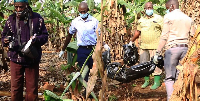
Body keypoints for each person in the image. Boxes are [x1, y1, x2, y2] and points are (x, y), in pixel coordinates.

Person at [59, 1, 110, 98]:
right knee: (84, 72)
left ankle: (91, 91)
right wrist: (63, 49)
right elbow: (69, 35)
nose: (82, 13)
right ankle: (87, 92)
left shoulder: (94, 21)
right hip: (82, 50)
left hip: (93, 49)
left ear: (88, 10)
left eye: (84, 11)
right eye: (80, 12)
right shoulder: (75, 21)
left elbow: (99, 36)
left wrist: (105, 45)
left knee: (93, 71)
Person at [1, 0, 48, 100]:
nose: (18, 10)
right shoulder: (11, 19)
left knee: (32, 91)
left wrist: (36, 40)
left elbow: (45, 36)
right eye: (16, 7)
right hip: (15, 59)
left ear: (27, 5)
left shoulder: (37, 19)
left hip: (32, 59)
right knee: (15, 89)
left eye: (21, 7)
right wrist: (5, 40)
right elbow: (4, 35)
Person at [153, 0, 195, 100]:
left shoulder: (169, 17)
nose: (167, 10)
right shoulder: (188, 18)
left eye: (167, 8)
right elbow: (193, 36)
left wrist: (157, 52)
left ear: (172, 6)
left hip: (172, 49)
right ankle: (179, 97)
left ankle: (171, 98)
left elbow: (164, 36)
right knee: (179, 77)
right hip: (185, 49)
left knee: (169, 78)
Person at [129, 2, 163, 90]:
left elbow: (164, 30)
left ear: (153, 8)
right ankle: (146, 81)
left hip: (155, 46)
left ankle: (156, 82)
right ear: (144, 9)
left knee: (156, 64)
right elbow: (138, 32)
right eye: (147, 8)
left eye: (150, 7)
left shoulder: (158, 18)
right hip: (144, 47)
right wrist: (131, 41)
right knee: (144, 64)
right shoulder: (141, 20)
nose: (149, 9)